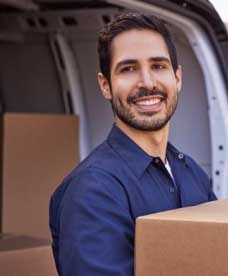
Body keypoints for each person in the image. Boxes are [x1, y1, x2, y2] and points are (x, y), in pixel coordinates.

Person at [49, 12, 217, 275]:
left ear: (178, 78)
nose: (147, 83)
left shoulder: (192, 174)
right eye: (128, 69)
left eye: (158, 66)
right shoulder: (93, 191)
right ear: (105, 85)